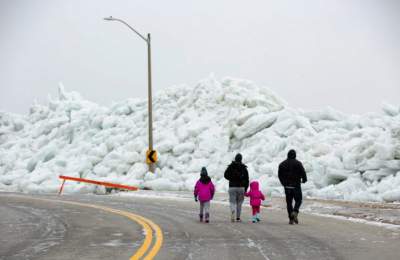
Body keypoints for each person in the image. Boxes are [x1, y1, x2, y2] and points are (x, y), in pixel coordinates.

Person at [278, 149, 307, 225]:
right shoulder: (298, 163)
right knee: (298, 200)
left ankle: (291, 219)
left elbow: (280, 175)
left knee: (289, 203)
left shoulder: (282, 164)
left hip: (287, 186)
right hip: (296, 185)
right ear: (295, 155)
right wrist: (304, 180)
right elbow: (303, 172)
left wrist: (283, 183)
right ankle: (295, 211)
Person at [224, 153, 249, 222]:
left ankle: (232, 211)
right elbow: (247, 180)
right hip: (241, 188)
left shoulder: (231, 166)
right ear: (241, 159)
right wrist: (246, 189)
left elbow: (225, 175)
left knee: (232, 202)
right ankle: (238, 218)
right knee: (239, 203)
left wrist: (231, 178)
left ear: (235, 158)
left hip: (232, 187)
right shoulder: (244, 168)